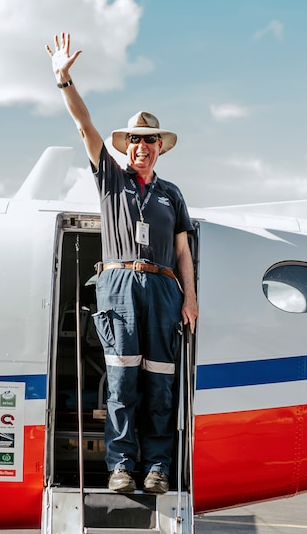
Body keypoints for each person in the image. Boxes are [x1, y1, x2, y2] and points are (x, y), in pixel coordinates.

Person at [46, 32, 198, 495]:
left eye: (150, 141)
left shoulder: (172, 194)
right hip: (119, 287)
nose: (142, 147)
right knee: (121, 383)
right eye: (135, 140)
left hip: (163, 289)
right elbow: (85, 127)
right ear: (126, 146)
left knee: (160, 386)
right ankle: (121, 466)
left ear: (160, 148)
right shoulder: (110, 179)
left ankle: (156, 467)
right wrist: (64, 79)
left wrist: (190, 298)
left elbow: (183, 251)